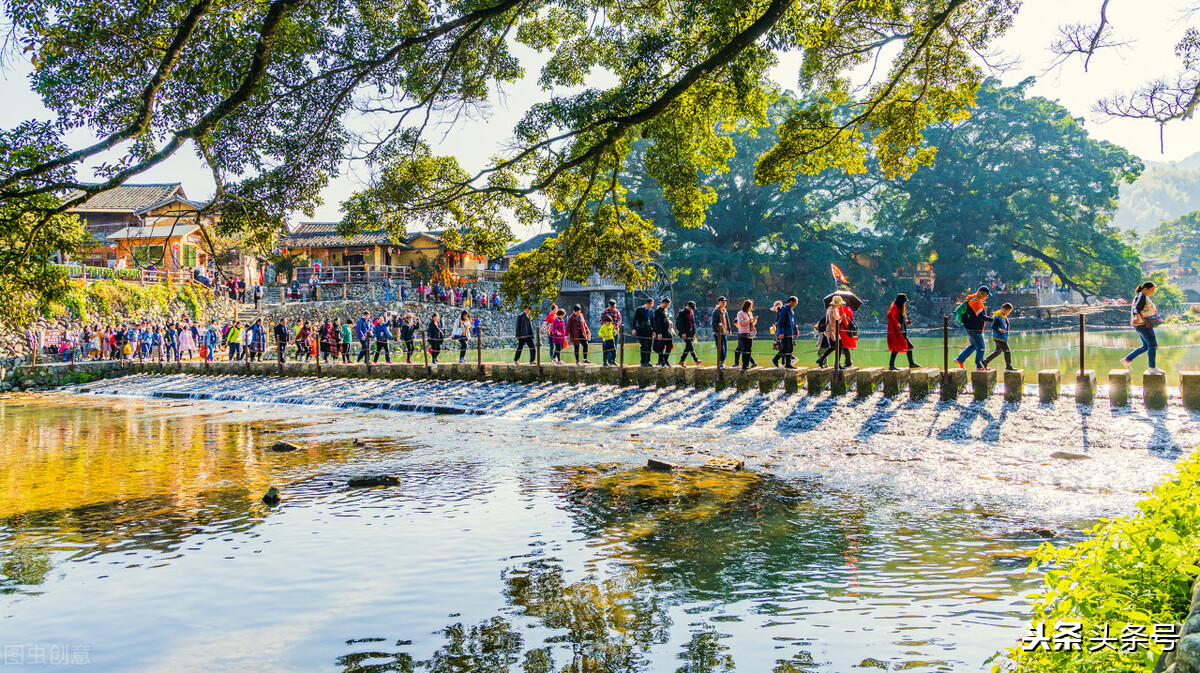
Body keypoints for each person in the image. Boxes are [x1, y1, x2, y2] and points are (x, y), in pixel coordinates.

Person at [1122, 281, 1164, 374]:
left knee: (1146, 346)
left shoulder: (1142, 296)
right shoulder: (1141, 295)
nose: (1153, 292)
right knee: (1153, 345)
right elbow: (1136, 308)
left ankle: (1128, 359)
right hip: (1143, 324)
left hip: (1142, 324)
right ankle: (1152, 367)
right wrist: (1136, 318)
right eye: (1152, 290)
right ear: (1145, 289)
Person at [954, 286, 991, 371]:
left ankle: (960, 359)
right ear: (981, 293)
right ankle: (979, 366)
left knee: (974, 345)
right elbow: (980, 316)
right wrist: (993, 320)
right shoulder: (975, 302)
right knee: (981, 346)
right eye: (986, 295)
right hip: (974, 327)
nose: (987, 297)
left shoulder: (974, 300)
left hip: (970, 326)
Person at [817, 296, 855, 369]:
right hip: (831, 331)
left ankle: (826, 361)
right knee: (837, 346)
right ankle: (833, 363)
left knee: (837, 347)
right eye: (840, 303)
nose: (841, 305)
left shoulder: (835, 309)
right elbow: (832, 322)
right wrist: (841, 318)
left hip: (835, 331)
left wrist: (841, 318)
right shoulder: (831, 310)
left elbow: (837, 321)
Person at [886, 293, 920, 370]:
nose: (905, 303)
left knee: (906, 347)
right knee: (900, 347)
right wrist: (897, 323)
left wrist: (906, 322)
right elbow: (889, 315)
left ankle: (910, 363)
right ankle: (893, 365)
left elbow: (899, 318)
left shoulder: (899, 308)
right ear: (901, 301)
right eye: (904, 301)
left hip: (902, 331)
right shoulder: (895, 307)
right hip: (898, 332)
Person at [983, 302, 1015, 371]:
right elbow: (994, 327)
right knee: (1007, 351)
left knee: (998, 351)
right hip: (999, 337)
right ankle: (1009, 365)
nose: (1008, 313)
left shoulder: (1003, 317)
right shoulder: (998, 317)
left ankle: (985, 361)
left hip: (1000, 337)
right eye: (1008, 311)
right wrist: (1000, 329)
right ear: (1003, 309)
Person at [772, 296, 798, 368]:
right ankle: (775, 359)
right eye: (795, 302)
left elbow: (792, 322)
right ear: (791, 302)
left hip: (789, 332)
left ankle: (788, 364)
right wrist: (781, 332)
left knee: (790, 348)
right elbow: (780, 321)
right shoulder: (784, 309)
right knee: (786, 347)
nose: (796, 304)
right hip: (785, 332)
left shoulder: (791, 310)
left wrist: (794, 331)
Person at [735, 299, 758, 370]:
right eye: (750, 306)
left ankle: (747, 365)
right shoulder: (740, 313)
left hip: (750, 334)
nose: (751, 308)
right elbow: (741, 323)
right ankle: (744, 365)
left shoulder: (750, 313)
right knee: (744, 350)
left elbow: (751, 324)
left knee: (749, 350)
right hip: (743, 333)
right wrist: (749, 320)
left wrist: (754, 320)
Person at [677, 301, 700, 366]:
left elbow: (693, 323)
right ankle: (696, 360)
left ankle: (681, 361)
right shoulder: (682, 313)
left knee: (688, 347)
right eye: (691, 307)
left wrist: (694, 332)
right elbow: (679, 324)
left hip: (690, 332)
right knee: (690, 346)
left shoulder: (691, 312)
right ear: (687, 306)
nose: (692, 309)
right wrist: (682, 332)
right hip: (685, 332)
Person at [633, 297, 654, 367]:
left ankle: (648, 361)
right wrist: (634, 328)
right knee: (644, 345)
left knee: (649, 346)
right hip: (641, 330)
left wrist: (654, 330)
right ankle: (643, 361)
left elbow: (652, 321)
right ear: (647, 303)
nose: (651, 306)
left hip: (649, 331)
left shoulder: (651, 311)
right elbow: (635, 319)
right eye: (651, 304)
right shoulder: (639, 309)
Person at [653, 298, 674, 367]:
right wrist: (658, 333)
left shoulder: (665, 311)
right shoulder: (657, 311)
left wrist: (670, 324)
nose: (667, 306)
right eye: (667, 304)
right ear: (664, 303)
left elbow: (667, 319)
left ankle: (666, 360)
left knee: (670, 345)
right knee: (661, 347)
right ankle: (661, 361)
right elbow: (657, 323)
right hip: (661, 331)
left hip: (667, 331)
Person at [710, 297, 730, 368]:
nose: (724, 303)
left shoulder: (725, 311)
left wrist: (729, 330)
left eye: (725, 302)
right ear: (719, 302)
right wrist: (716, 331)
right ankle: (721, 362)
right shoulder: (715, 312)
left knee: (725, 348)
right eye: (723, 302)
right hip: (718, 333)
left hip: (724, 332)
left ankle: (723, 361)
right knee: (721, 348)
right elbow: (714, 323)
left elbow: (727, 321)